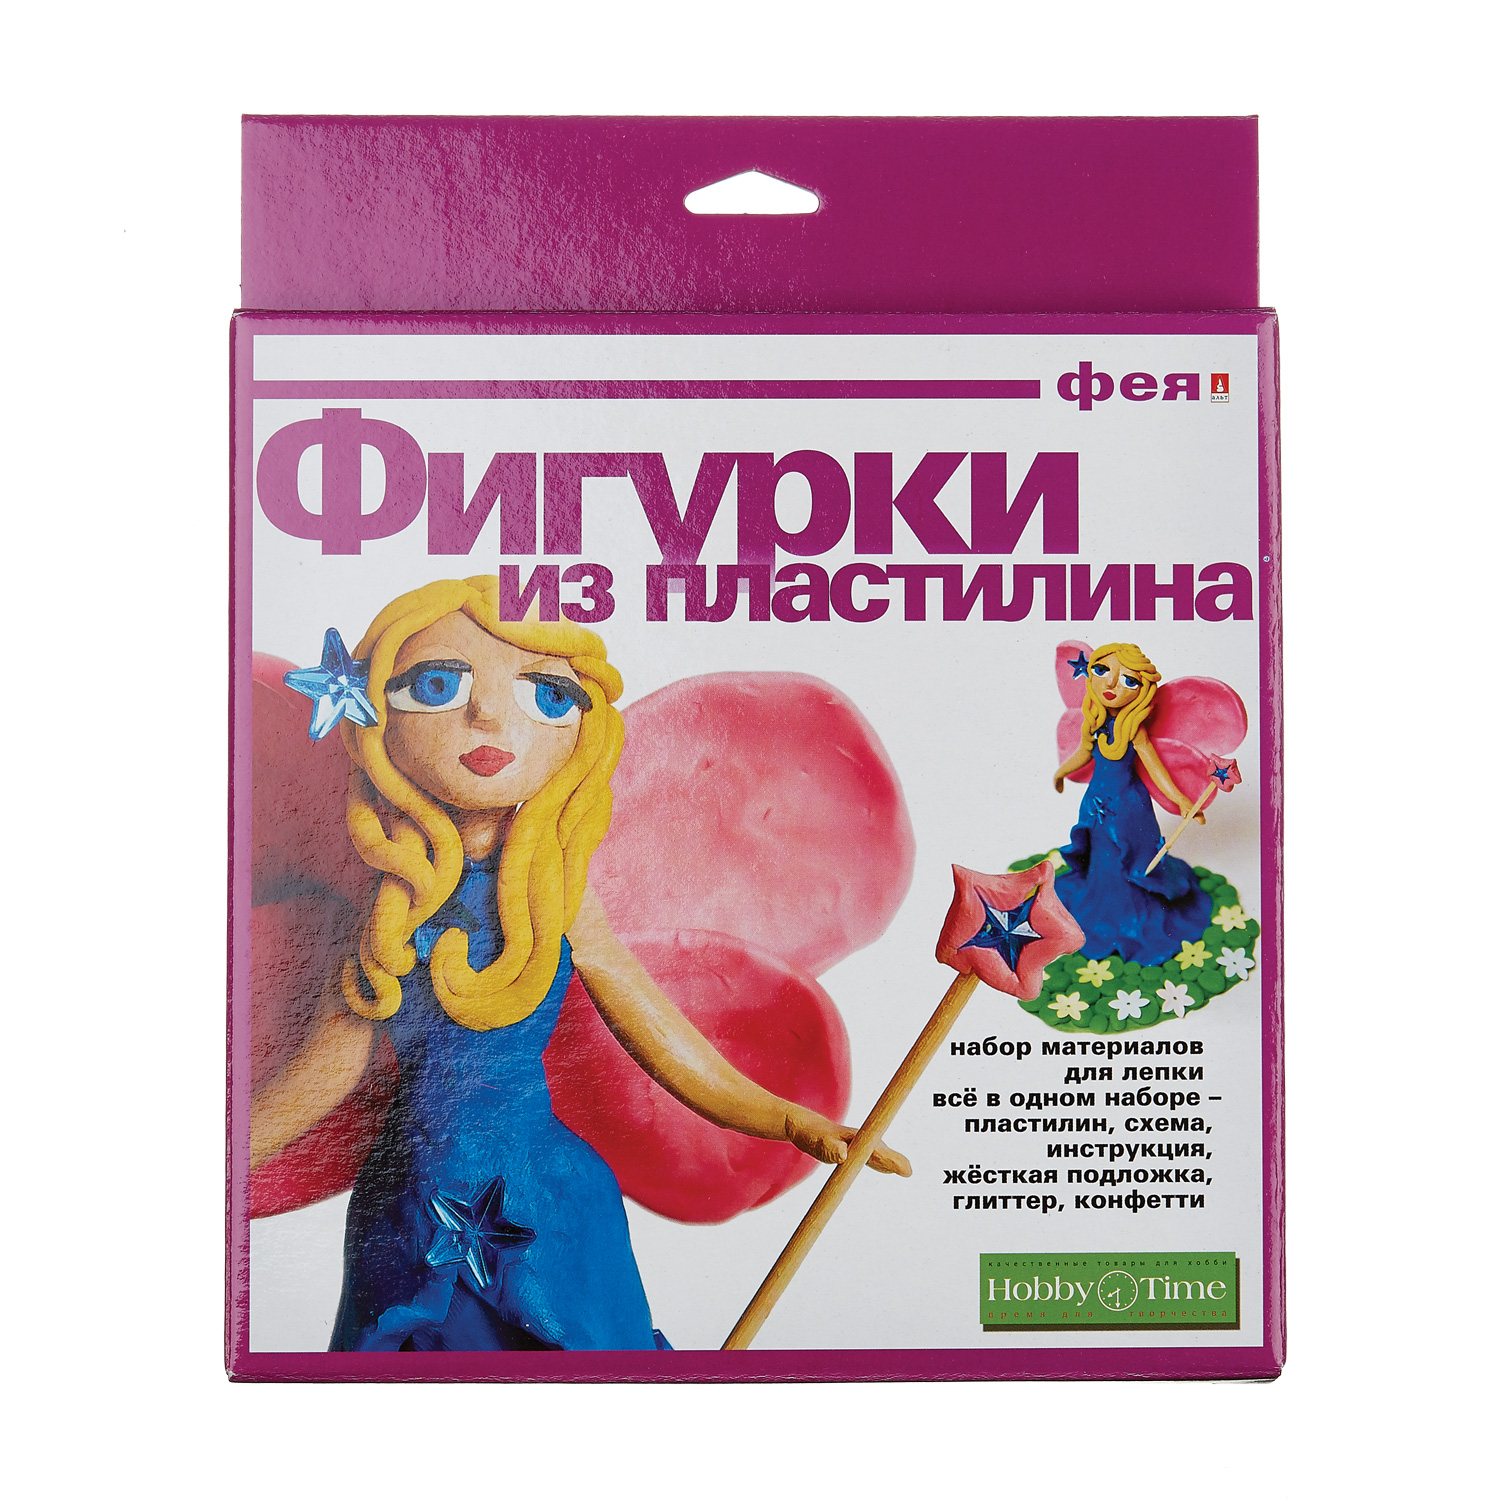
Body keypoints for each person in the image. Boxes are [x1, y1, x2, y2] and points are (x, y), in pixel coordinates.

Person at [250, 576, 908, 1352]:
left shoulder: (556, 896)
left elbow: (654, 1029)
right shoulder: (397, 905)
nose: (489, 716)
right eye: (436, 685)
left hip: (549, 1198)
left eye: (546, 695)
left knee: (593, 1371)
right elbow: (326, 1067)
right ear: (374, 720)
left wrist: (783, 1118)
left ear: (579, 735)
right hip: (412, 1209)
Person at [1050, 643, 1212, 966]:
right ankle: (1100, 908)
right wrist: (1062, 772)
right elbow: (1082, 755)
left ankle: (1130, 915)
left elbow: (1154, 765)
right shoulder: (1094, 724)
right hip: (1096, 802)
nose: (1111, 684)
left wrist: (1179, 798)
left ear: (1141, 691)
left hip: (1128, 807)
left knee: (1130, 859)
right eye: (1102, 671)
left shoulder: (1133, 730)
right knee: (1100, 859)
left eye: (1129, 680)